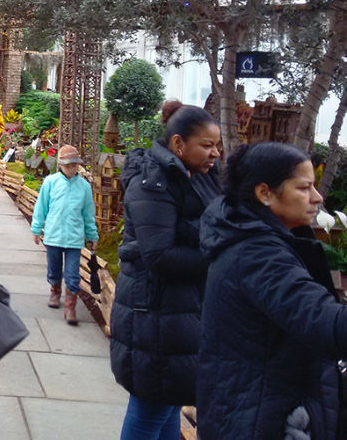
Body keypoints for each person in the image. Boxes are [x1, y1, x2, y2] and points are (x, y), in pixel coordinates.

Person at [198, 142, 346, 439]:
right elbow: (326, 322)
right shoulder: (258, 256)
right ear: (264, 193)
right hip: (255, 419)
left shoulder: (252, 238)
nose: (317, 197)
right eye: (303, 188)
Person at [110, 101, 221, 440]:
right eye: (207, 145)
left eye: (217, 145)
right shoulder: (152, 183)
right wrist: (221, 257)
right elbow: (159, 256)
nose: (215, 153)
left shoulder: (199, 177)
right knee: (150, 409)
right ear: (178, 144)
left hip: (180, 310)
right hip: (154, 313)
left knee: (168, 403)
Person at [30, 144, 99, 325]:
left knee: (72, 274)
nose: (71, 168)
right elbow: (41, 208)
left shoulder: (84, 187)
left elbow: (88, 214)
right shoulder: (51, 183)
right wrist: (36, 229)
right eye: (68, 165)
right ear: (60, 165)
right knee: (53, 268)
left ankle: (70, 306)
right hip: (53, 235)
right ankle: (55, 290)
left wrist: (92, 236)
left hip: (74, 239)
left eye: (75, 165)